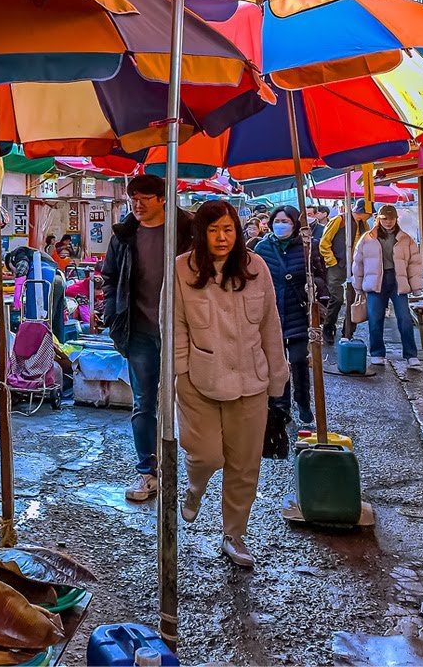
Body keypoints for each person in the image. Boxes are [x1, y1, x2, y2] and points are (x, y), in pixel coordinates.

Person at [173, 201, 289, 568]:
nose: (221, 237)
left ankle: (234, 534)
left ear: (238, 231)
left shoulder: (256, 267)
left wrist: (276, 378)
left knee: (244, 465)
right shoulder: (182, 269)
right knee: (207, 455)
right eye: (213, 230)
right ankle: (194, 489)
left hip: (250, 382)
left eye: (228, 229)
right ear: (201, 233)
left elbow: (271, 326)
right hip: (198, 380)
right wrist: (179, 374)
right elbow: (174, 325)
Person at [100, 175, 193, 502]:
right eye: (134, 199)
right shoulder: (124, 235)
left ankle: (193, 470)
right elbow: (109, 278)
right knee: (144, 404)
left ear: (163, 198)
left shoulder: (187, 231)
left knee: (192, 402)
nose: (138, 205)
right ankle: (147, 473)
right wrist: (112, 316)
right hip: (138, 331)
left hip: (184, 331)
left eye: (146, 199)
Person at [252, 206, 329, 425]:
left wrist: (313, 285)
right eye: (277, 221)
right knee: (277, 363)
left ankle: (303, 402)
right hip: (271, 313)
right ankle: (281, 404)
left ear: (295, 224)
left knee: (298, 360)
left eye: (286, 221)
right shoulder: (262, 247)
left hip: (299, 311)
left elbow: (322, 277)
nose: (281, 225)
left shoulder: (308, 247)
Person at [351, 204, 423, 368]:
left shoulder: (405, 238)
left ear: (396, 219)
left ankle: (411, 355)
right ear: (378, 219)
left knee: (405, 318)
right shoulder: (367, 238)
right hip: (375, 281)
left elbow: (415, 263)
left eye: (391, 218)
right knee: (375, 319)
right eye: (385, 218)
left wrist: (416, 285)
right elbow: (358, 263)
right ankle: (377, 353)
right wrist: (357, 285)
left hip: (398, 280)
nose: (388, 222)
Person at [319, 199, 373, 344]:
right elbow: (324, 242)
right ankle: (328, 327)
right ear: (364, 212)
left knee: (354, 300)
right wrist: (332, 261)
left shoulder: (364, 224)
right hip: (337, 265)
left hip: (355, 267)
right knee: (337, 299)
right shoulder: (339, 220)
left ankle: (348, 331)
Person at [6, 246, 68, 342]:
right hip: (58, 280)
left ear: (11, 262)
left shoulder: (18, 253)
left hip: (44, 281)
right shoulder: (37, 254)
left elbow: (22, 267)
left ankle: (41, 348)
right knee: (53, 319)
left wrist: (18, 289)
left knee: (39, 320)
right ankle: (56, 348)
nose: (13, 273)